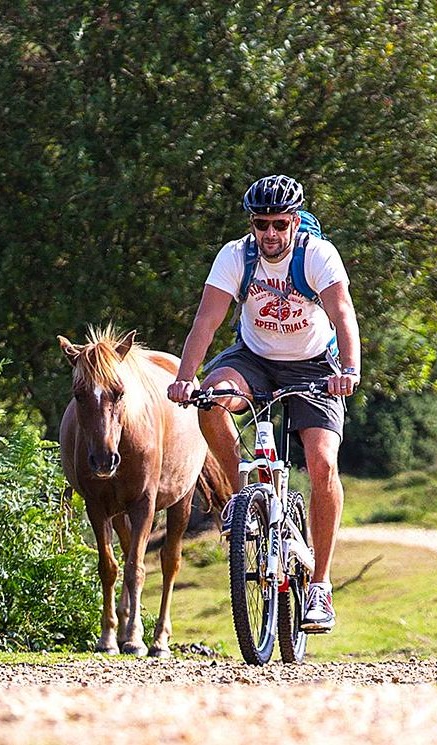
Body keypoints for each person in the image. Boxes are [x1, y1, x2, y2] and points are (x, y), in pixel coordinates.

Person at [167, 174, 361, 633]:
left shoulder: (317, 255)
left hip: (315, 365)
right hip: (253, 359)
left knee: (322, 465)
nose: (270, 234)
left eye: (278, 224)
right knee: (211, 401)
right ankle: (241, 495)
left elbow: (343, 314)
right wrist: (184, 378)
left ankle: (320, 587)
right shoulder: (237, 256)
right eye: (261, 224)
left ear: (294, 222)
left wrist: (348, 370)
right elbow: (207, 321)